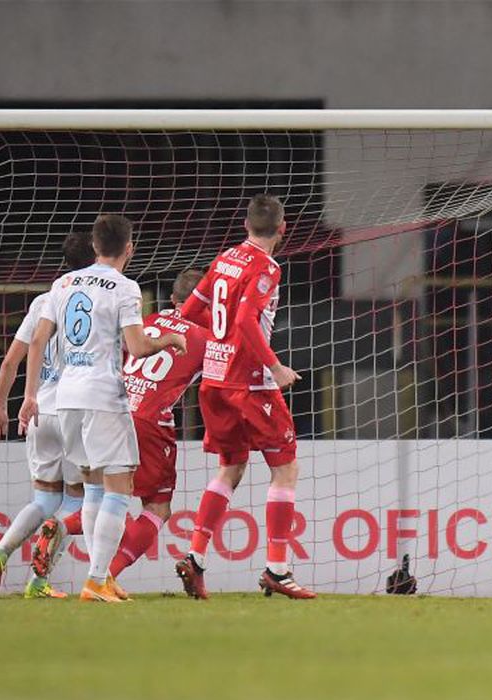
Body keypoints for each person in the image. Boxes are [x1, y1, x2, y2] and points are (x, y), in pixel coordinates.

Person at [18, 214, 186, 603]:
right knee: (119, 487)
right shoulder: (126, 288)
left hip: (65, 399)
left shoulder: (62, 283)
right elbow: (139, 346)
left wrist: (30, 395)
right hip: (103, 397)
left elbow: (39, 339)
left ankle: (100, 578)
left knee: (93, 485)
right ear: (129, 248)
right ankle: (96, 580)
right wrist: (171, 340)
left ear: (94, 247)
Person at [174, 194, 313, 600]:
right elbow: (246, 320)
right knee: (285, 469)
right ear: (283, 228)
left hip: (214, 382)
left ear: (245, 225)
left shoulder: (224, 259)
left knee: (231, 468)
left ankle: (196, 557)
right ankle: (278, 569)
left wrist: (219, 342)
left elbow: (189, 312)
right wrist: (275, 367)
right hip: (249, 383)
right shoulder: (267, 267)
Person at [0, 232, 96, 598]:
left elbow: (11, 360)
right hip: (77, 411)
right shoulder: (99, 298)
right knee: (79, 501)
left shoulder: (43, 302)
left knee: (43, 500)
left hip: (40, 409)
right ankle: (38, 581)